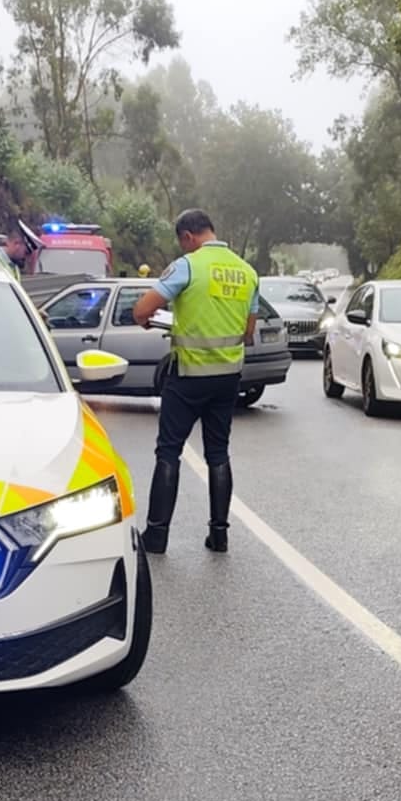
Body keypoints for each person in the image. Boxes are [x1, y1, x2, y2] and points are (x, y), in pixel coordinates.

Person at [131, 208, 260, 553]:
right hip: (228, 377)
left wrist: (164, 321)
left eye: (183, 242)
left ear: (188, 236)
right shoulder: (247, 272)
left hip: (188, 375)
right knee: (218, 453)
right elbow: (248, 332)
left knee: (169, 451)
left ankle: (156, 536)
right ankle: (219, 534)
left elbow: (142, 311)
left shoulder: (189, 265)